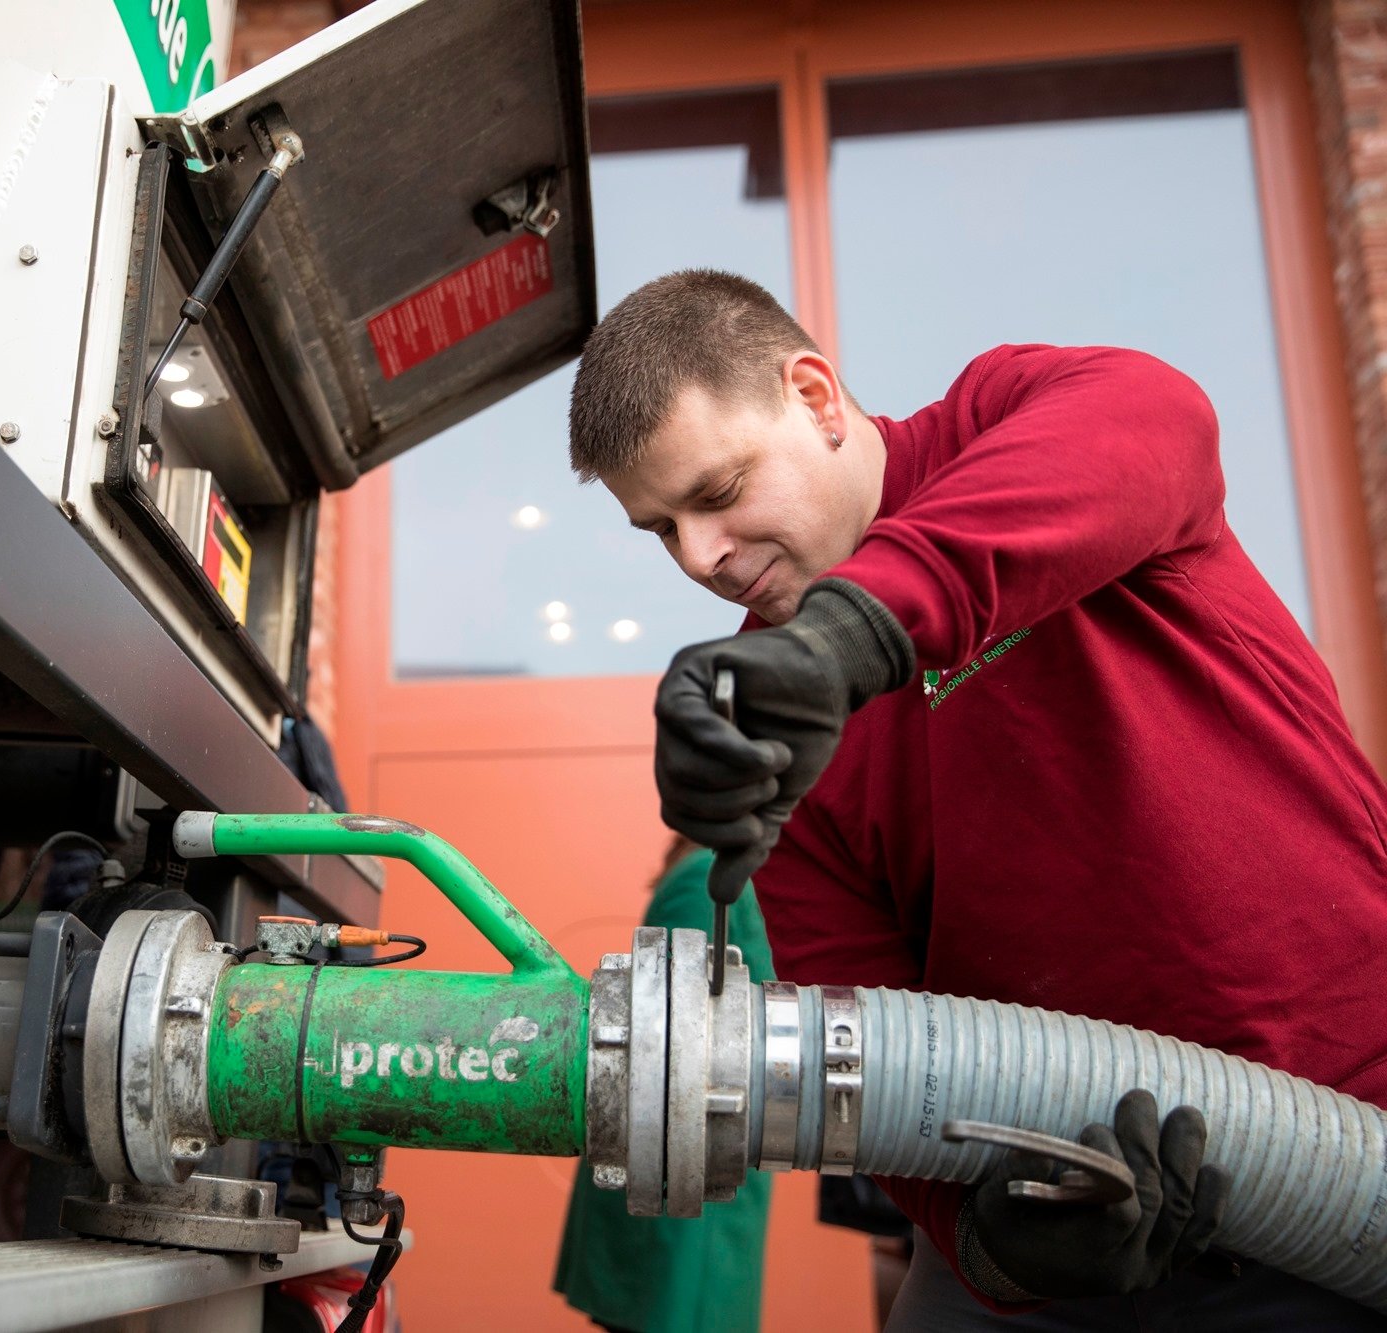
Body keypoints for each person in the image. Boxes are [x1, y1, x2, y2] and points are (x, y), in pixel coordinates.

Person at [564, 269, 1387, 1327]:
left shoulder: (1001, 426)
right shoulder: (769, 714)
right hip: (1076, 1215)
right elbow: (867, 1025)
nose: (698, 557)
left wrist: (852, 634)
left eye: (716, 493)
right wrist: (990, 1240)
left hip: (1344, 1125)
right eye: (658, 528)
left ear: (814, 398)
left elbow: (1155, 416)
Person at [554, 838, 775, 1333]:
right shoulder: (710, 879)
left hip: (687, 1188)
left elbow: (678, 1041)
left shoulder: (709, 877)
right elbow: (671, 1036)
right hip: (684, 1189)